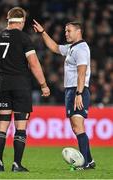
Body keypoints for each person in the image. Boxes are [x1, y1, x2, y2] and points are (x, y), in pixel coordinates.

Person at [0, 7, 50, 172]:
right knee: (20, 126)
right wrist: (43, 85)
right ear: (21, 21)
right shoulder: (24, 38)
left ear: (8, 19)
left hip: (3, 86)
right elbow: (34, 63)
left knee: (2, 124)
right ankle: (16, 164)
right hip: (21, 86)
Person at [33, 20, 95, 170]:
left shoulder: (81, 49)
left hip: (77, 90)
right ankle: (90, 160)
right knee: (75, 127)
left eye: (69, 31)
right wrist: (43, 32)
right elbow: (54, 47)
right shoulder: (72, 48)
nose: (66, 33)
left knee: (78, 126)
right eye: (65, 31)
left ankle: (85, 163)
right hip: (71, 90)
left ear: (78, 32)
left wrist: (79, 93)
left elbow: (82, 73)